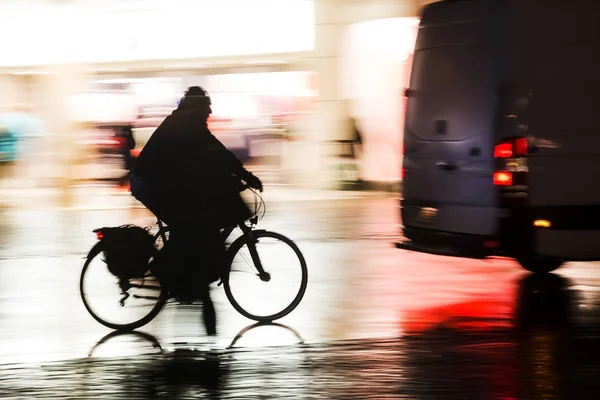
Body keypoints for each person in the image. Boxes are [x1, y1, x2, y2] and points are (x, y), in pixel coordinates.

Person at [131, 86, 263, 335]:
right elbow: (216, 154)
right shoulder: (186, 126)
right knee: (192, 227)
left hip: (161, 182)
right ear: (198, 106)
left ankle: (192, 285)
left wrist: (235, 175)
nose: (210, 111)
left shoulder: (186, 123)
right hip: (151, 184)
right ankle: (168, 273)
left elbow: (209, 158)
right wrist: (244, 175)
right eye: (207, 106)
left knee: (196, 223)